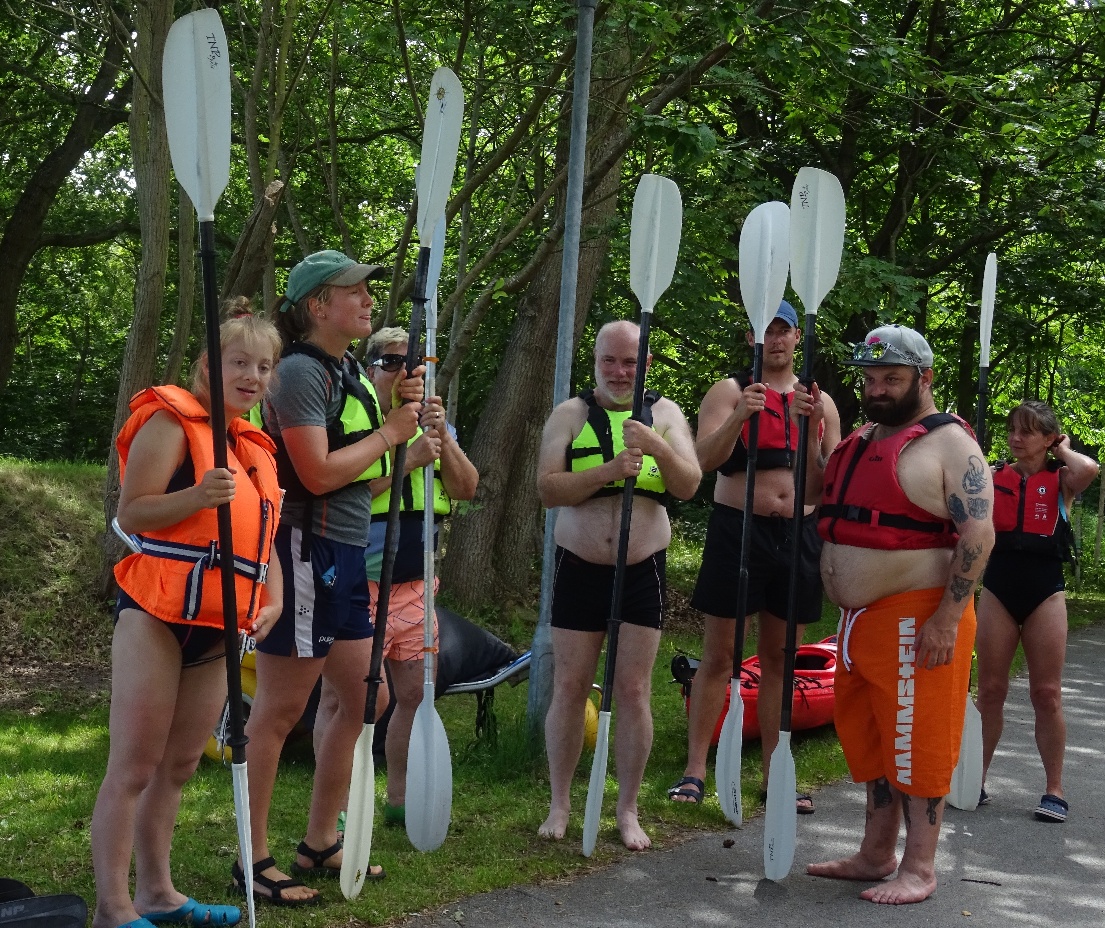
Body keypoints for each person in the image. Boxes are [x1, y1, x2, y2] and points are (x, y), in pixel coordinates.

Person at [233, 251, 423, 907]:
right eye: (357, 291)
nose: (370, 300)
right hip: (302, 550)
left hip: (344, 552)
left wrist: (403, 447)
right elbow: (313, 474)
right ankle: (250, 857)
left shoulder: (350, 373)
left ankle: (318, 842)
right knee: (280, 711)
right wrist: (394, 432)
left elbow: (357, 477)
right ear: (319, 305)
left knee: (365, 697)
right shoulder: (296, 373)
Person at [91, 309, 284, 928]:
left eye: (264, 366)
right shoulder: (173, 422)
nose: (253, 376)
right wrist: (198, 496)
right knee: (135, 764)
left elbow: (266, 539)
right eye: (240, 363)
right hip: (155, 614)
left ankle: (157, 894)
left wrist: (274, 601)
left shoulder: (254, 448)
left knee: (179, 764)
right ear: (208, 366)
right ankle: (113, 908)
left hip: (223, 624)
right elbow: (132, 513)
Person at [792, 323, 995, 905]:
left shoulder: (950, 443)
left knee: (917, 740)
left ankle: (921, 867)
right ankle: (876, 853)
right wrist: (813, 440)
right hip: (861, 623)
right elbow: (817, 493)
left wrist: (948, 619)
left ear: (923, 378)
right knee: (873, 739)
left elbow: (979, 534)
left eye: (892, 377)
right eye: (871, 377)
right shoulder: (860, 438)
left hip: (918, 616)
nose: (878, 387)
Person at [535, 319, 701, 850]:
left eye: (630, 361)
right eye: (610, 360)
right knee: (570, 685)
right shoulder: (571, 413)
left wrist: (656, 444)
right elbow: (547, 488)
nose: (619, 371)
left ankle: (627, 810)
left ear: (646, 363)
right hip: (579, 566)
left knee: (632, 690)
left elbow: (690, 484)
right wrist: (607, 471)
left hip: (642, 567)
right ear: (596, 361)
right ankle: (560, 802)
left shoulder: (666, 414)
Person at [669, 301, 840, 811]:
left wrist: (813, 434)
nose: (777, 339)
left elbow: (827, 483)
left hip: (798, 535)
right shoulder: (728, 391)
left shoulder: (818, 401)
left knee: (780, 661)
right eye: (767, 330)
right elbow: (700, 462)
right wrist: (741, 415)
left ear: (795, 338)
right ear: (752, 339)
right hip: (737, 530)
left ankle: (774, 774)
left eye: (784, 330)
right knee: (721, 655)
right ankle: (694, 772)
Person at [313, 326, 478, 826]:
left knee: (412, 694)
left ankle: (399, 798)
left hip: (414, 584)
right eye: (391, 364)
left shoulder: (431, 424)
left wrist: (441, 438)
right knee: (343, 697)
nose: (405, 374)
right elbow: (337, 489)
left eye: (416, 367)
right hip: (357, 581)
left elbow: (467, 487)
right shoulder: (358, 420)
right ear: (370, 369)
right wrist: (408, 462)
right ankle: (337, 808)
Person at [975, 401, 1098, 823]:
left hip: (1045, 588)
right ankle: (975, 777)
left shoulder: (1062, 478)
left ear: (1048, 438)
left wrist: (1062, 448)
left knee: (1046, 694)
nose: (1016, 438)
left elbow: (1090, 470)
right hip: (999, 585)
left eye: (1027, 431)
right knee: (990, 690)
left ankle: (1054, 790)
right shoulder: (994, 477)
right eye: (1012, 430)